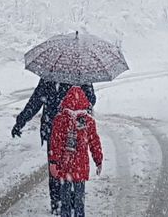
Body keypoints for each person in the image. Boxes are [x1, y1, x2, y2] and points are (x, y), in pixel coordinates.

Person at [11, 80, 96, 214]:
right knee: (73, 168)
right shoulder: (80, 76)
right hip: (75, 133)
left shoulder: (50, 76)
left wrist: (21, 121)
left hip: (55, 132)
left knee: (55, 168)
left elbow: (36, 101)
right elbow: (91, 99)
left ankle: (58, 204)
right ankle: (70, 202)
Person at [49, 86, 103, 217]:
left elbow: (55, 143)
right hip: (80, 166)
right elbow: (94, 142)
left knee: (65, 199)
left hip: (64, 165)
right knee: (79, 200)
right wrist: (98, 160)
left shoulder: (60, 120)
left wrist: (53, 162)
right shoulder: (88, 121)